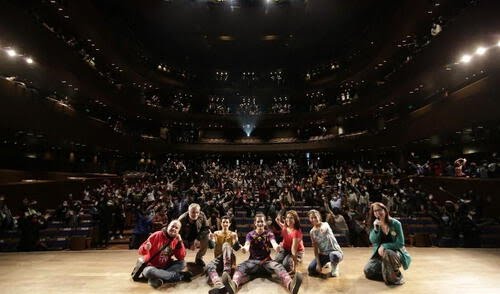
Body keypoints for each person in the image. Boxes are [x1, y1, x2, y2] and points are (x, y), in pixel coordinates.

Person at [222, 213, 303, 294]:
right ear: (255, 223)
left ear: (265, 223)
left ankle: (291, 285)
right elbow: (247, 245)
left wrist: (277, 247)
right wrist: (244, 249)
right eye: (258, 222)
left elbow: (273, 243)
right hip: (252, 262)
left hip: (267, 262)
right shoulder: (250, 234)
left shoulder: (269, 233)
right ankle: (233, 285)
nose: (260, 223)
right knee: (240, 267)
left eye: (262, 221)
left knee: (279, 266)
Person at [363, 202, 411, 285]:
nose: (377, 213)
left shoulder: (396, 224)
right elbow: (373, 240)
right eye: (375, 211)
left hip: (395, 253)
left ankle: (395, 277)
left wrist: (385, 246)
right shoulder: (374, 224)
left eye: (380, 210)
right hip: (379, 255)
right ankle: (389, 274)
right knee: (368, 271)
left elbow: (400, 243)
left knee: (387, 252)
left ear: (385, 210)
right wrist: (376, 229)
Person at [138, 220, 193, 289]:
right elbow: (140, 252)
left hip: (165, 266)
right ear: (167, 226)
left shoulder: (176, 240)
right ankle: (179, 276)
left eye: (176, 228)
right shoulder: (156, 235)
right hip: (151, 266)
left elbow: (181, 257)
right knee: (149, 272)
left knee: (182, 263)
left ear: (178, 231)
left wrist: (180, 242)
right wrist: (145, 248)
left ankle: (156, 279)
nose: (174, 229)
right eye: (172, 226)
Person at [207, 216, 240, 294]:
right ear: (221, 223)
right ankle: (218, 285)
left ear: (229, 224)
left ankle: (226, 272)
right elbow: (212, 246)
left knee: (225, 244)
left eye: (227, 222)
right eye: (223, 222)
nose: (225, 224)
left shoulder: (233, 234)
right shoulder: (216, 233)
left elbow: (236, 248)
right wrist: (210, 239)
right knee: (209, 266)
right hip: (219, 260)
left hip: (230, 260)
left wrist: (236, 240)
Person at [307, 209, 343, 278]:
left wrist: (321, 230)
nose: (314, 219)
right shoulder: (312, 232)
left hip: (335, 251)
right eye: (312, 218)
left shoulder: (325, 224)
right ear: (309, 219)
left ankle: (334, 266)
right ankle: (328, 262)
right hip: (324, 254)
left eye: (315, 217)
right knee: (311, 269)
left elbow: (324, 228)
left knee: (334, 256)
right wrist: (318, 264)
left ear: (319, 217)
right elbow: (315, 248)